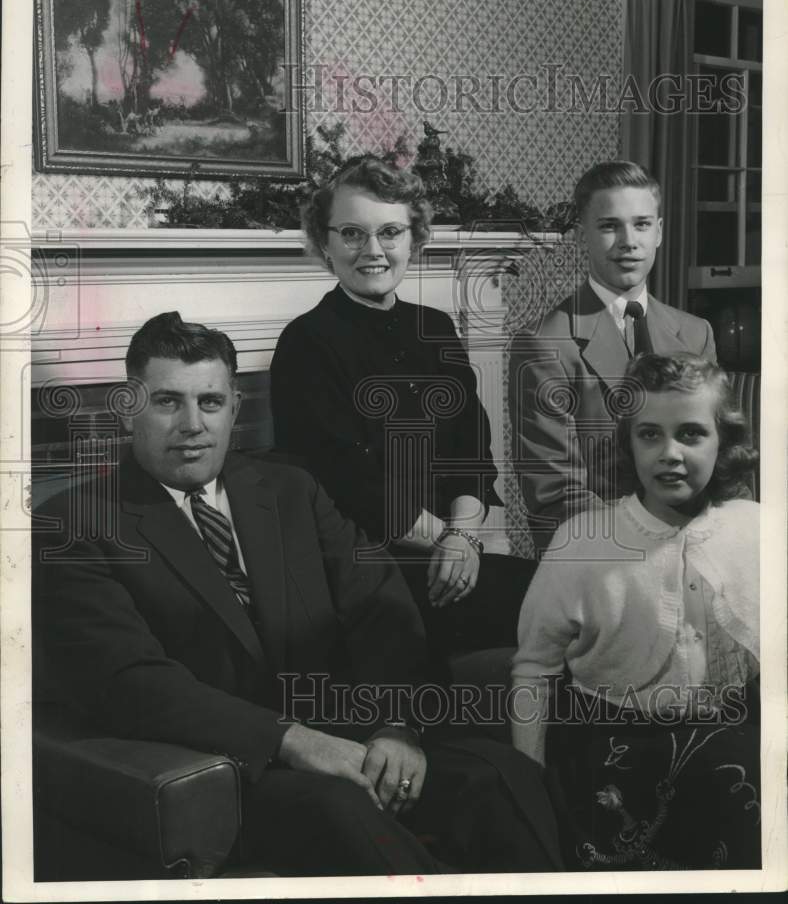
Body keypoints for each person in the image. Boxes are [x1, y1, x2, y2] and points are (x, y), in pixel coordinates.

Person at [33, 311, 562, 877]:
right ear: (129, 406)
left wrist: (396, 727)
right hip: (235, 767)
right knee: (343, 815)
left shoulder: (290, 489)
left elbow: (380, 610)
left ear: (235, 408)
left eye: (210, 402)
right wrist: (293, 742)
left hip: (358, 738)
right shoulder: (75, 524)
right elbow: (132, 684)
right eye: (168, 402)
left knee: (499, 775)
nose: (192, 424)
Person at [271, 155, 532, 655]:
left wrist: (463, 539)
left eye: (390, 232)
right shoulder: (305, 343)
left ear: (414, 238)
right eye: (352, 233)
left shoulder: (436, 328)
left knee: (571, 599)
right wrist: (455, 543)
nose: (373, 250)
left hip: (454, 552)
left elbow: (473, 457)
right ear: (324, 242)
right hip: (367, 566)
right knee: (549, 610)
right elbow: (350, 485)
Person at [510, 352, 760, 870]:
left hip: (733, 751)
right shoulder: (580, 542)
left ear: (724, 443)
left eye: (691, 434)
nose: (669, 453)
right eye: (650, 435)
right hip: (613, 757)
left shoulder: (757, 529)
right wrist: (528, 781)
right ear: (628, 442)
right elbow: (533, 669)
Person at [508, 161, 717, 555]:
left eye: (641, 224)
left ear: (659, 232)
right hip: (600, 562)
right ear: (582, 236)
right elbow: (556, 496)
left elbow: (718, 466)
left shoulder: (695, 333)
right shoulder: (543, 344)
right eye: (609, 226)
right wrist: (658, 550)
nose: (628, 241)